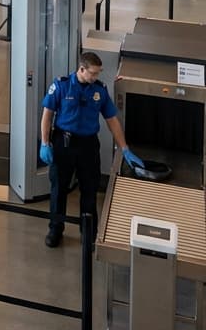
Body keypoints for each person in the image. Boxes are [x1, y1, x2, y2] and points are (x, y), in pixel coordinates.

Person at [40, 52, 143, 248]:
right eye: (92, 73)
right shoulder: (61, 86)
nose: (95, 77)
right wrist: (45, 143)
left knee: (89, 189)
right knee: (58, 188)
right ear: (81, 69)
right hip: (64, 143)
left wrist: (125, 148)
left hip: (88, 145)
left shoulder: (99, 90)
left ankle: (88, 232)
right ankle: (55, 228)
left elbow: (112, 119)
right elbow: (47, 115)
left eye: (98, 73)